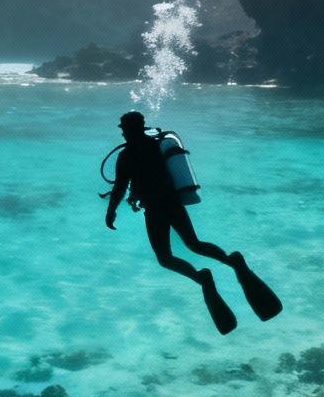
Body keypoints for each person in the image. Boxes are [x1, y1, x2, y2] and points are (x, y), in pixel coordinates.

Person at [104, 110, 280, 335]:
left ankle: (202, 278)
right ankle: (233, 261)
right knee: (194, 243)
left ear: (130, 128)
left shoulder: (127, 155)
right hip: (173, 204)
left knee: (165, 258)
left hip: (156, 210)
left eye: (124, 128)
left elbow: (120, 186)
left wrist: (111, 212)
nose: (122, 133)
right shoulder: (155, 146)